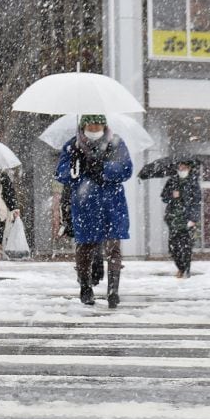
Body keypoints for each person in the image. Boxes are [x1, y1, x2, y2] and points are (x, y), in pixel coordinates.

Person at [55, 114, 133, 308]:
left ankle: (113, 290)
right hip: (85, 203)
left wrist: (104, 168)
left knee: (113, 247)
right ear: (83, 126)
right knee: (85, 247)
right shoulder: (72, 146)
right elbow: (61, 173)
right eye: (91, 125)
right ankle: (85, 286)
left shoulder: (116, 143)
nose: (95, 128)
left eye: (98, 124)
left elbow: (126, 169)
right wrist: (76, 167)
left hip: (112, 204)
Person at [162, 160, 201, 278]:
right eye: (180, 167)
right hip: (173, 218)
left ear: (189, 168)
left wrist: (193, 218)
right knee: (173, 247)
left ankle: (185, 269)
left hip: (186, 219)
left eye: (184, 168)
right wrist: (171, 195)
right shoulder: (172, 181)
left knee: (186, 246)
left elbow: (196, 201)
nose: (181, 170)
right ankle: (180, 266)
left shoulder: (193, 183)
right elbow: (164, 197)